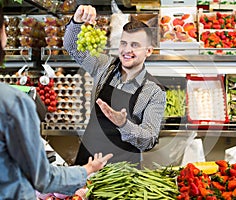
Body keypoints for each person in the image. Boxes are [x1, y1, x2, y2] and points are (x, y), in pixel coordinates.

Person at [0, 6, 113, 199]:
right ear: (2, 34)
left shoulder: (150, 88)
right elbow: (41, 177)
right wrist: (86, 170)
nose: (128, 50)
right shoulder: (12, 103)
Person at [64, 5, 166, 166]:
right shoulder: (104, 66)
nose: (127, 50)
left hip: (123, 173)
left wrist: (124, 124)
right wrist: (77, 20)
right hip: (88, 163)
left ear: (148, 51)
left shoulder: (154, 91)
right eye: (124, 43)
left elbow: (149, 140)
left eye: (135, 45)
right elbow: (71, 47)